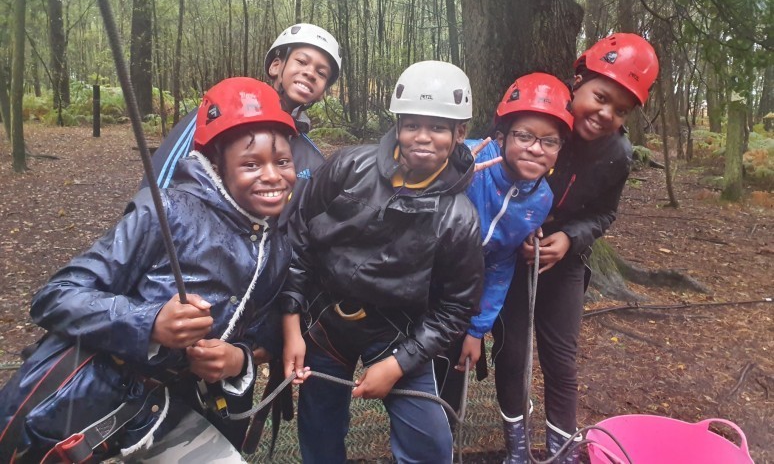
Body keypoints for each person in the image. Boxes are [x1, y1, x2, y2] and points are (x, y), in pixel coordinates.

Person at [0, 78, 299, 462]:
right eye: (251, 164)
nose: (273, 175)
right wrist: (151, 323)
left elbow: (258, 336)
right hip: (76, 403)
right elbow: (55, 297)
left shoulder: (275, 248)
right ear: (216, 164)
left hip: (164, 412)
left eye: (283, 161)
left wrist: (236, 359)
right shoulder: (166, 212)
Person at [280, 60, 486, 463]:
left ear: (459, 133)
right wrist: (291, 324)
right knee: (320, 434)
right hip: (325, 322)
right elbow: (300, 238)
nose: (422, 137)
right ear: (398, 125)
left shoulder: (458, 217)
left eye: (438, 127)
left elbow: (456, 307)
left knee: (430, 448)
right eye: (412, 125)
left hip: (399, 333)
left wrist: (397, 365)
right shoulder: (348, 167)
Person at [495, 34, 659, 463]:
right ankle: (516, 449)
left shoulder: (617, 153)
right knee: (511, 353)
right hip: (511, 257)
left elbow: (605, 213)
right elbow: (498, 176)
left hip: (565, 262)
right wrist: (515, 227)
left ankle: (562, 450)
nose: (606, 114)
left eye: (620, 110)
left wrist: (569, 239)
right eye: (600, 98)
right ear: (578, 82)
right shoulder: (543, 123)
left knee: (561, 360)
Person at [433, 73, 574, 441]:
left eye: (549, 141)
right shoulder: (468, 161)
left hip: (466, 293)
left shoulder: (540, 199)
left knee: (453, 371)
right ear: (501, 137)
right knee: (423, 369)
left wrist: (477, 330)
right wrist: (450, 174)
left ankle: (444, 436)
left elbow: (500, 264)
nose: (535, 149)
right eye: (524, 136)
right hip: (425, 284)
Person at [147, 23, 341, 207]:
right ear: (275, 66)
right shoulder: (216, 116)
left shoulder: (311, 158)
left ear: (323, 91)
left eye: (321, 73)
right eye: (301, 61)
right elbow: (158, 189)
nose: (310, 73)